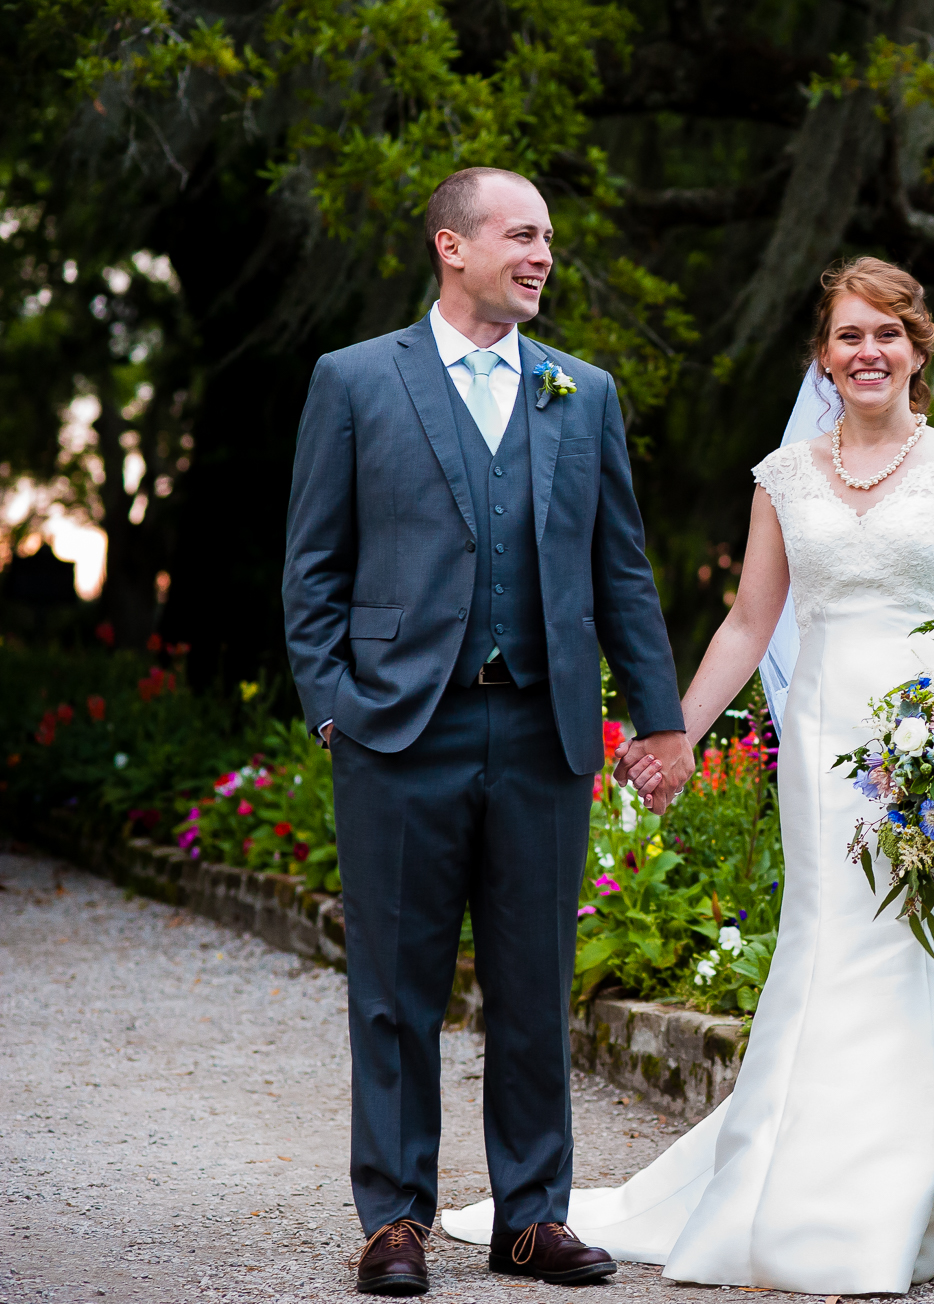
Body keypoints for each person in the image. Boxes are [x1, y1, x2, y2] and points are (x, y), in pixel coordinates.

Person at [441, 256, 934, 1292]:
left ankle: (929, 1177)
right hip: (821, 748)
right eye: (849, 336)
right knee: (829, 949)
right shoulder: (784, 478)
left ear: (918, 347)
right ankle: (801, 1179)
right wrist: (673, 732)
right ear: (823, 353)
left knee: (923, 950)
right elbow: (750, 621)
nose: (867, 352)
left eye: (887, 334)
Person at [282, 166, 695, 1296]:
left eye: (548, 238)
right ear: (449, 246)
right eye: (520, 234)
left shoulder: (583, 391)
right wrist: (334, 707)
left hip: (541, 733)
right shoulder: (357, 380)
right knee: (394, 988)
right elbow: (312, 566)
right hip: (396, 733)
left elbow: (621, 568)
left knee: (533, 982)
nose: (541, 254)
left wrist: (657, 718)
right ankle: (394, 1220)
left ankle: (530, 1217)